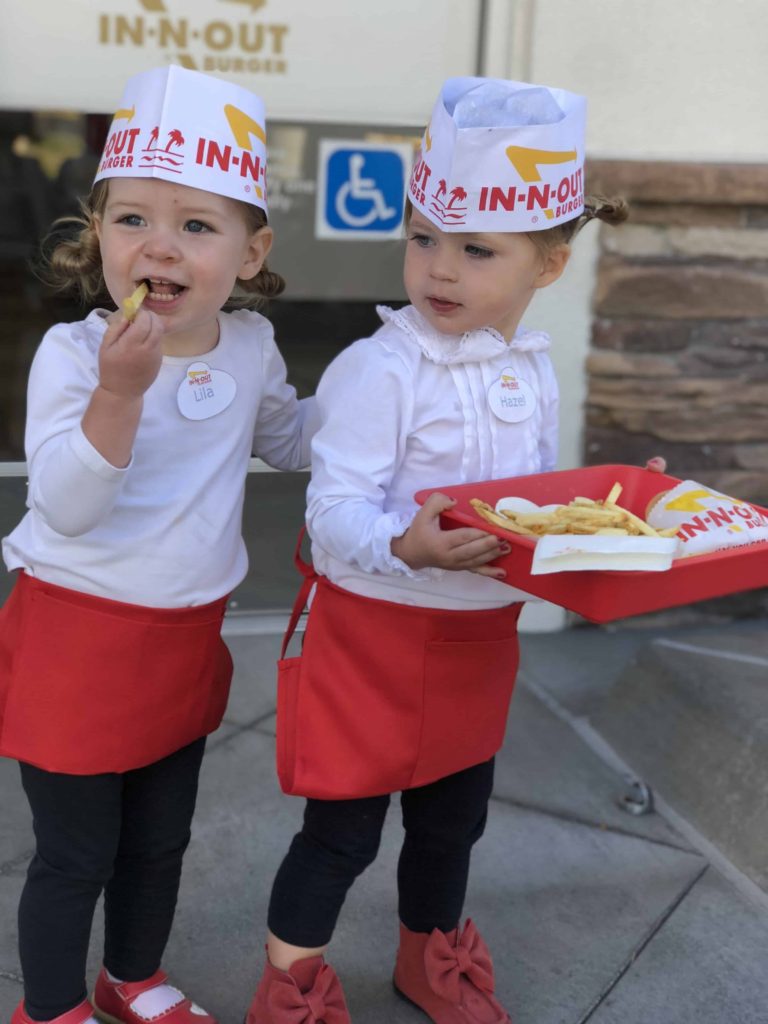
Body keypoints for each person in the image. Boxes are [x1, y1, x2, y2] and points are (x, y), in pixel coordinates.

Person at [245, 77, 629, 1024]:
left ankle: (427, 961)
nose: (439, 269)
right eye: (423, 238)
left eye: (474, 249)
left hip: (476, 639)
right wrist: (405, 544)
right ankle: (289, 986)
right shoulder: (380, 368)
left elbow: (528, 504)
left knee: (453, 825)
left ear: (549, 265)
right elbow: (330, 514)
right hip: (374, 631)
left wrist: (613, 508)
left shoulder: (528, 369)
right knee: (340, 832)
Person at [0, 65, 315, 1024]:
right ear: (96, 236)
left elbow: (298, 441)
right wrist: (117, 396)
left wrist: (398, 393)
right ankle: (50, 1008)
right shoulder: (71, 358)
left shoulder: (251, 348)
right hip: (77, 635)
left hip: (184, 635)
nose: (158, 246)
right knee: (74, 854)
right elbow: (66, 507)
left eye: (196, 225)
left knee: (160, 841)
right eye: (132, 219)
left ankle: (131, 977)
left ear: (251, 250)